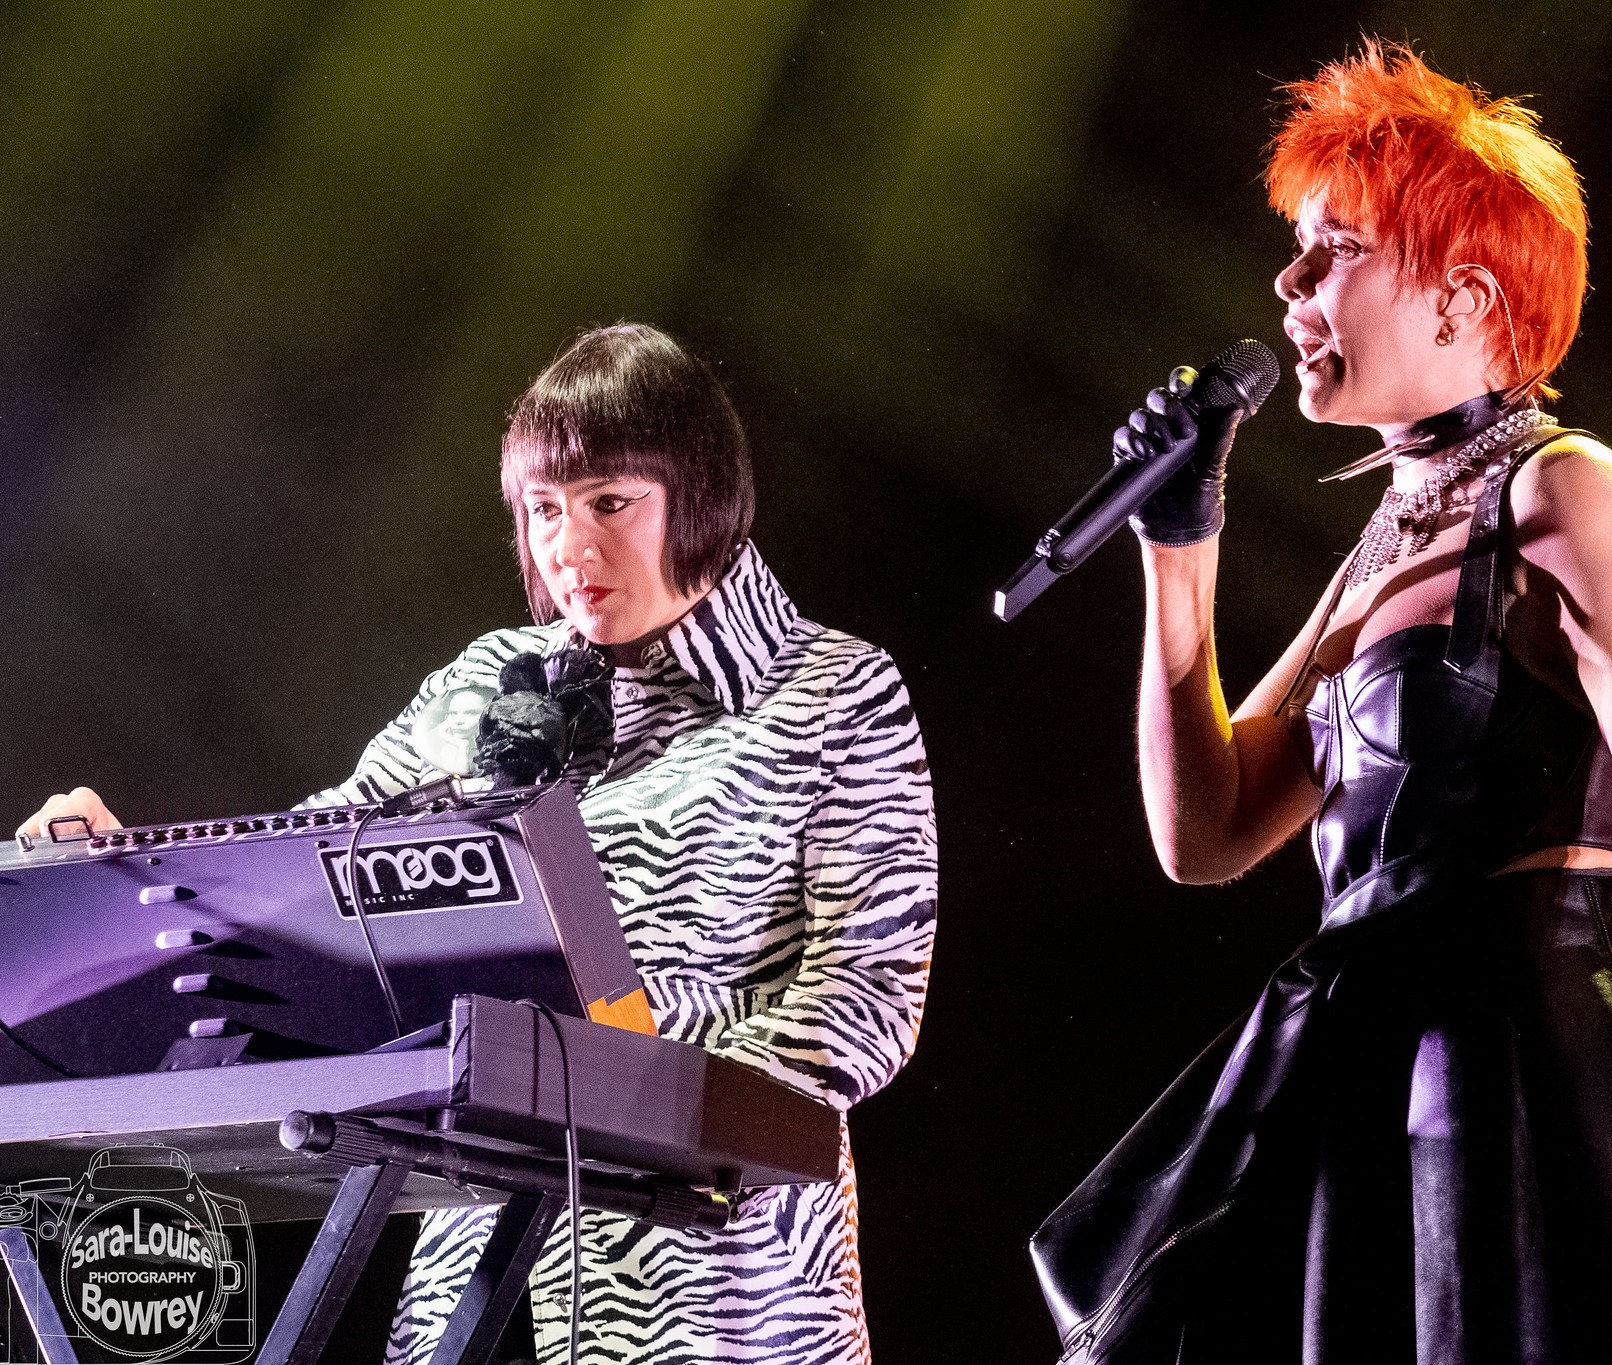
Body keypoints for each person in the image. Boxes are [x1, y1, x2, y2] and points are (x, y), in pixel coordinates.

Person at [1028, 41, 1612, 1364]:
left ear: (1462, 296)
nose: (1289, 284)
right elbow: (1205, 831)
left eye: (1335, 250)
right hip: (1363, 1059)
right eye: (1296, 251)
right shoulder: (1385, 539)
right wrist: (1178, 551)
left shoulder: (1563, 487)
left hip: (1516, 1055)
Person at [20, 323, 937, 1365]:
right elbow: (312, 859)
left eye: (609, 503)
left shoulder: (833, 693)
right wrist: (120, 864)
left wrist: (647, 1103)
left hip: (715, 1283)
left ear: (705, 495)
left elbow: (867, 997)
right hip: (479, 1264)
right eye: (543, 509)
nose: (568, 548)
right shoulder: (486, 682)